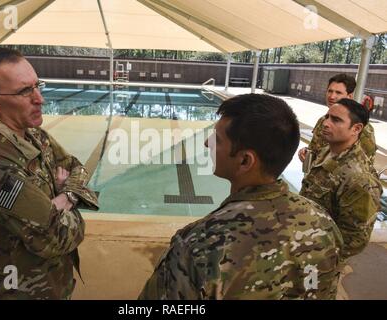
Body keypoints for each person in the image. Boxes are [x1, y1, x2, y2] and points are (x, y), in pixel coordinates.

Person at [139, 94, 343, 300]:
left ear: (245, 161)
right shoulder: (323, 224)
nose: (206, 144)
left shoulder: (201, 245)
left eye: (217, 139)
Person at [0, 48, 98, 299]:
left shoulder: (32, 134)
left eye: (37, 85)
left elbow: (77, 167)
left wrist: (65, 198)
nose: (40, 98)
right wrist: (69, 196)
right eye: (24, 91)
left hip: (53, 284)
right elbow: (58, 238)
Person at [300, 98, 383, 261]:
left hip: (320, 258)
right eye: (327, 117)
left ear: (356, 128)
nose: (326, 123)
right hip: (305, 239)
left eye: (336, 120)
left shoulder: (359, 179)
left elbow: (355, 240)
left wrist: (316, 254)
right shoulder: (327, 151)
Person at [298, 74, 376, 166]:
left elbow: (365, 165)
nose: (331, 96)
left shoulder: (363, 128)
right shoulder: (323, 120)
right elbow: (315, 148)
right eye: (330, 91)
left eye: (338, 93)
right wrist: (307, 152)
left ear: (349, 96)